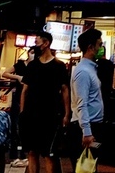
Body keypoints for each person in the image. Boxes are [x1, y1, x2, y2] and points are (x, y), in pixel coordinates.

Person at [21, 31, 70, 173]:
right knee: (32, 152)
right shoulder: (32, 66)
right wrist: (23, 113)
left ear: (46, 43)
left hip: (51, 115)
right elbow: (25, 90)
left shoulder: (59, 66)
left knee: (49, 154)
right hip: (31, 115)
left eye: (37, 42)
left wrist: (66, 114)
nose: (35, 46)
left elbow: (65, 90)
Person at [69, 28, 105, 155]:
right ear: (90, 47)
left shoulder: (90, 69)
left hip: (92, 125)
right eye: (99, 45)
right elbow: (81, 103)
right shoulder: (83, 72)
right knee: (85, 167)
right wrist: (87, 131)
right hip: (86, 127)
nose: (102, 48)